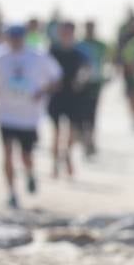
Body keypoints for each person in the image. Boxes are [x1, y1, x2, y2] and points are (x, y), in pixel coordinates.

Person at [0, 25, 62, 208]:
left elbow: (57, 78)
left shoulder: (38, 56)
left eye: (19, 36)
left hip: (29, 116)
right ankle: (12, 192)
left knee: (26, 155)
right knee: (7, 153)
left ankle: (30, 173)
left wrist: (42, 92)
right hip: (5, 114)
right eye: (12, 36)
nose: (15, 40)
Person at [47, 21, 87, 179]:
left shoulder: (79, 50)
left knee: (72, 133)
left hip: (73, 95)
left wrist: (81, 79)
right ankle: (55, 163)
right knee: (56, 132)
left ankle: (67, 155)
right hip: (56, 95)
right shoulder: (52, 50)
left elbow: (86, 68)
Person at [75, 19, 110, 157]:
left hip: (95, 82)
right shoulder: (79, 45)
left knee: (92, 112)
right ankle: (82, 135)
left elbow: (107, 60)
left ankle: (90, 140)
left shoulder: (101, 45)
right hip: (81, 82)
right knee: (80, 111)